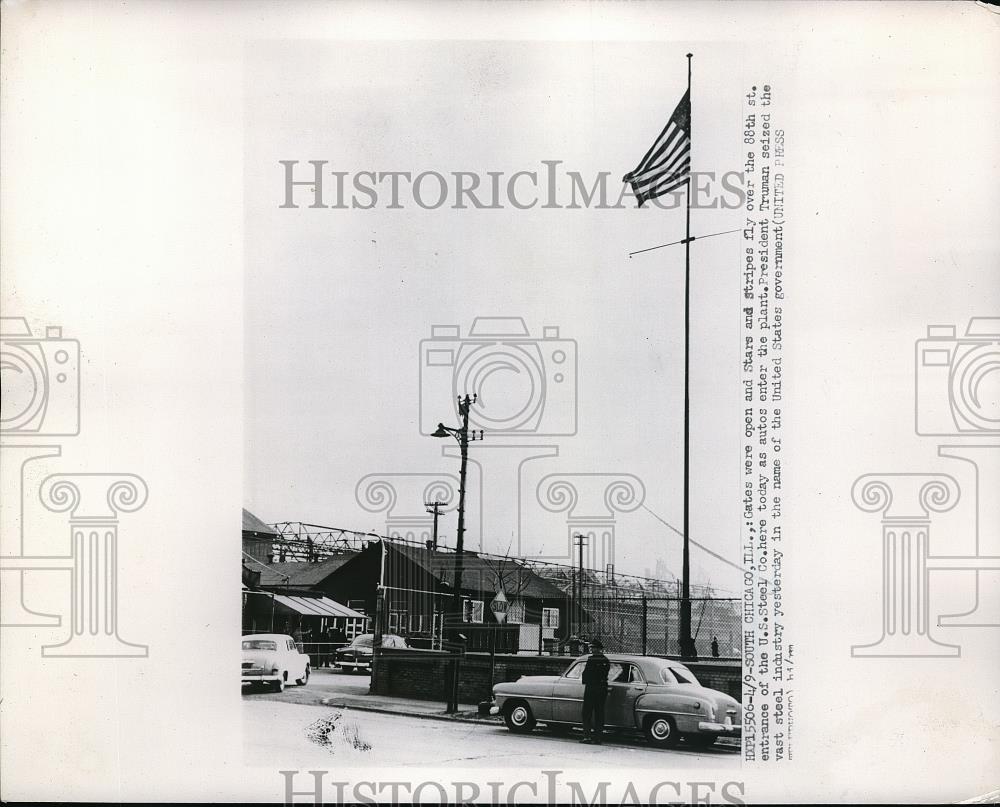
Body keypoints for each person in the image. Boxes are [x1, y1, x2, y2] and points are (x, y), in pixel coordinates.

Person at [580, 639, 611, 745]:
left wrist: (587, 681)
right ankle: (598, 737)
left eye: (593, 648)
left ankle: (587, 736)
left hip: (591, 688)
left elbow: (586, 675)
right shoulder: (606, 660)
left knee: (587, 713)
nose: (591, 649)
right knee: (599, 713)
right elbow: (605, 674)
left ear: (598, 649)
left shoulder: (591, 659)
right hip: (602, 688)